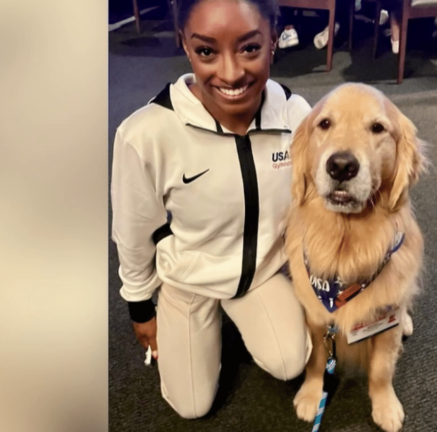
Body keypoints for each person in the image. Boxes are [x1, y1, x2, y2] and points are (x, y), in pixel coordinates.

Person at [110, 0, 313, 420]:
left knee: (291, 361)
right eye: (207, 51)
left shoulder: (297, 116)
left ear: (274, 39)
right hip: (190, 277)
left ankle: (241, 315)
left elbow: (315, 206)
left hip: (260, 273)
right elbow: (132, 231)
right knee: (192, 407)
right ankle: (189, 314)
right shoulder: (145, 134)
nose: (231, 72)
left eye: (249, 48)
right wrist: (139, 307)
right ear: (185, 45)